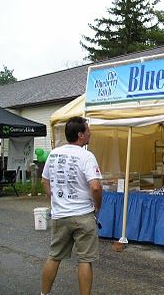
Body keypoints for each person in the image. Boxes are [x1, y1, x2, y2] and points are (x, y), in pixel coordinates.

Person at [40, 117, 103, 295]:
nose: (90, 133)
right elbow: (96, 187)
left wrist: (53, 199)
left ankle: (43, 294)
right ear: (81, 135)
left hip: (60, 215)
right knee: (85, 260)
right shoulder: (87, 156)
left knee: (54, 256)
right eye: (88, 130)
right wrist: (98, 206)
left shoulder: (54, 153)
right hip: (83, 215)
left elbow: (45, 180)